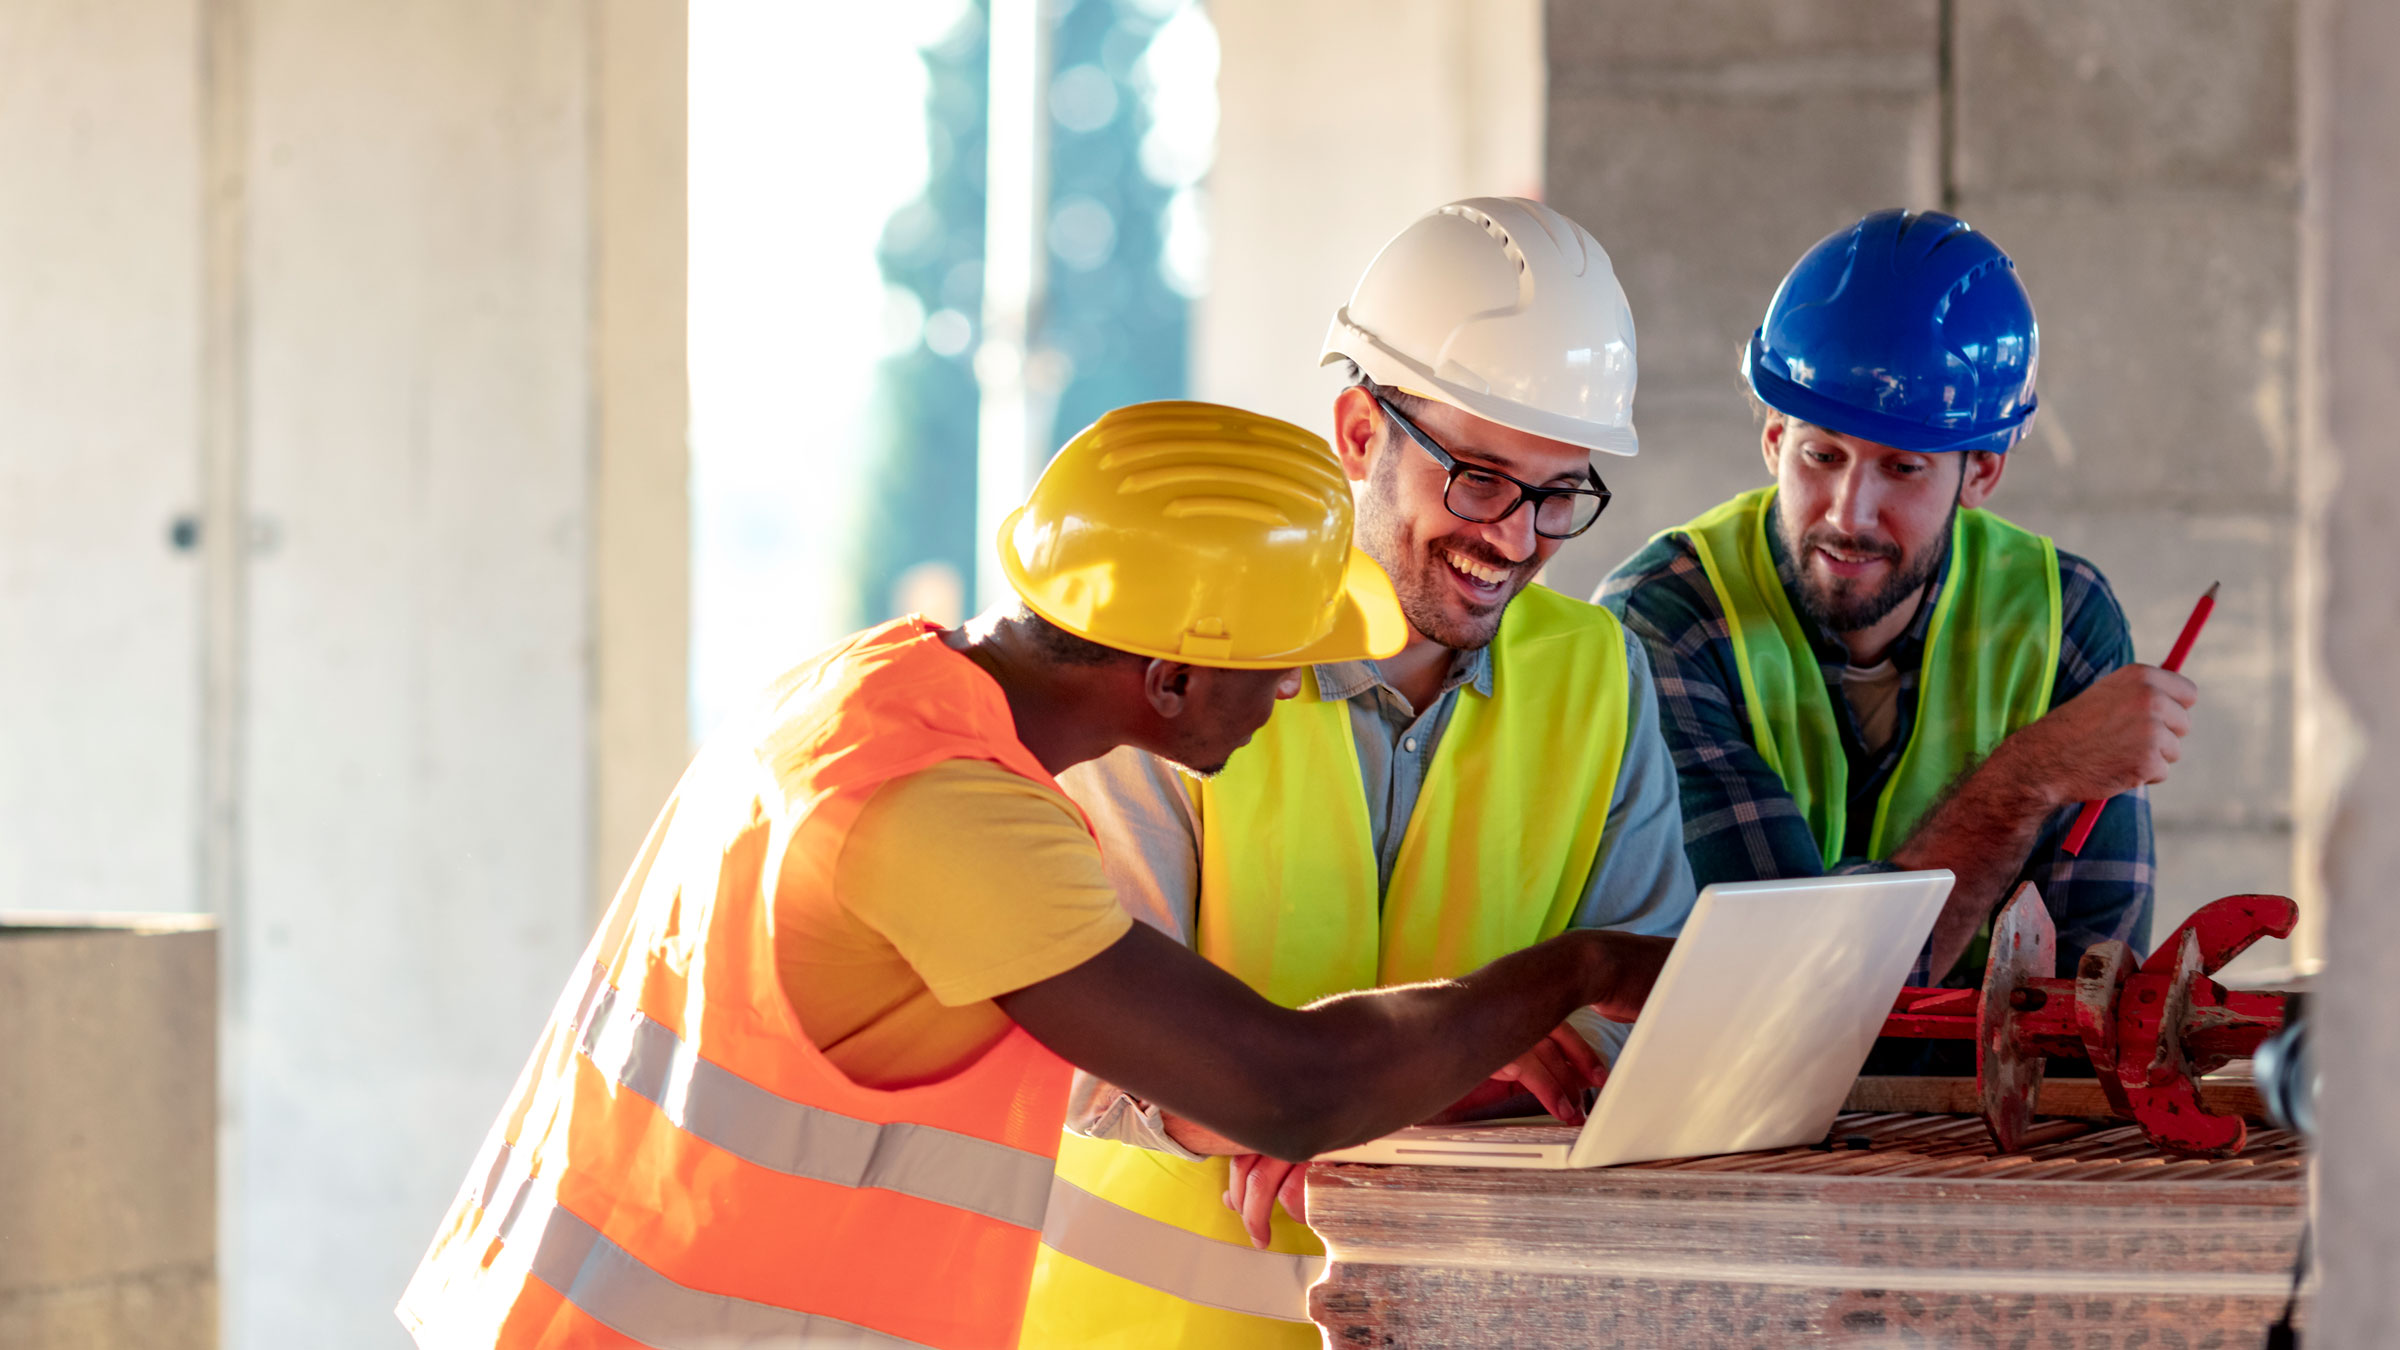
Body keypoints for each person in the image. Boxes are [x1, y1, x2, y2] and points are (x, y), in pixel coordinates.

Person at [394, 400, 1671, 1350]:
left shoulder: (872, 693)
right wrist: (1581, 967)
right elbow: (1287, 1085)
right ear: (1169, 675)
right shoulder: (948, 817)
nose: (1296, 690)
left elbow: (1224, 1089)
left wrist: (1436, 1067)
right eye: (1281, 660)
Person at [1020, 199, 1696, 1347]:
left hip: (1457, 1318)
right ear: (1357, 433)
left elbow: (1636, 1034)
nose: (1518, 540)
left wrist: (1398, 1084)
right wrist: (1476, 1040)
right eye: (1479, 478)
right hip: (1155, 1324)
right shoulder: (1174, 657)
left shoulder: (1601, 677)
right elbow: (1100, 1055)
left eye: (1558, 492)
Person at [1599, 208, 2185, 1060]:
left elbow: (2086, 1014)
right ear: (1772, 439)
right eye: (1821, 455)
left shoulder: (2065, 618)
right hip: (1720, 1142)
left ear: (1980, 471)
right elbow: (1792, 1006)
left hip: (1979, 1152)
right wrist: (2027, 780)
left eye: (1902, 467)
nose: (1848, 513)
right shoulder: (1666, 619)